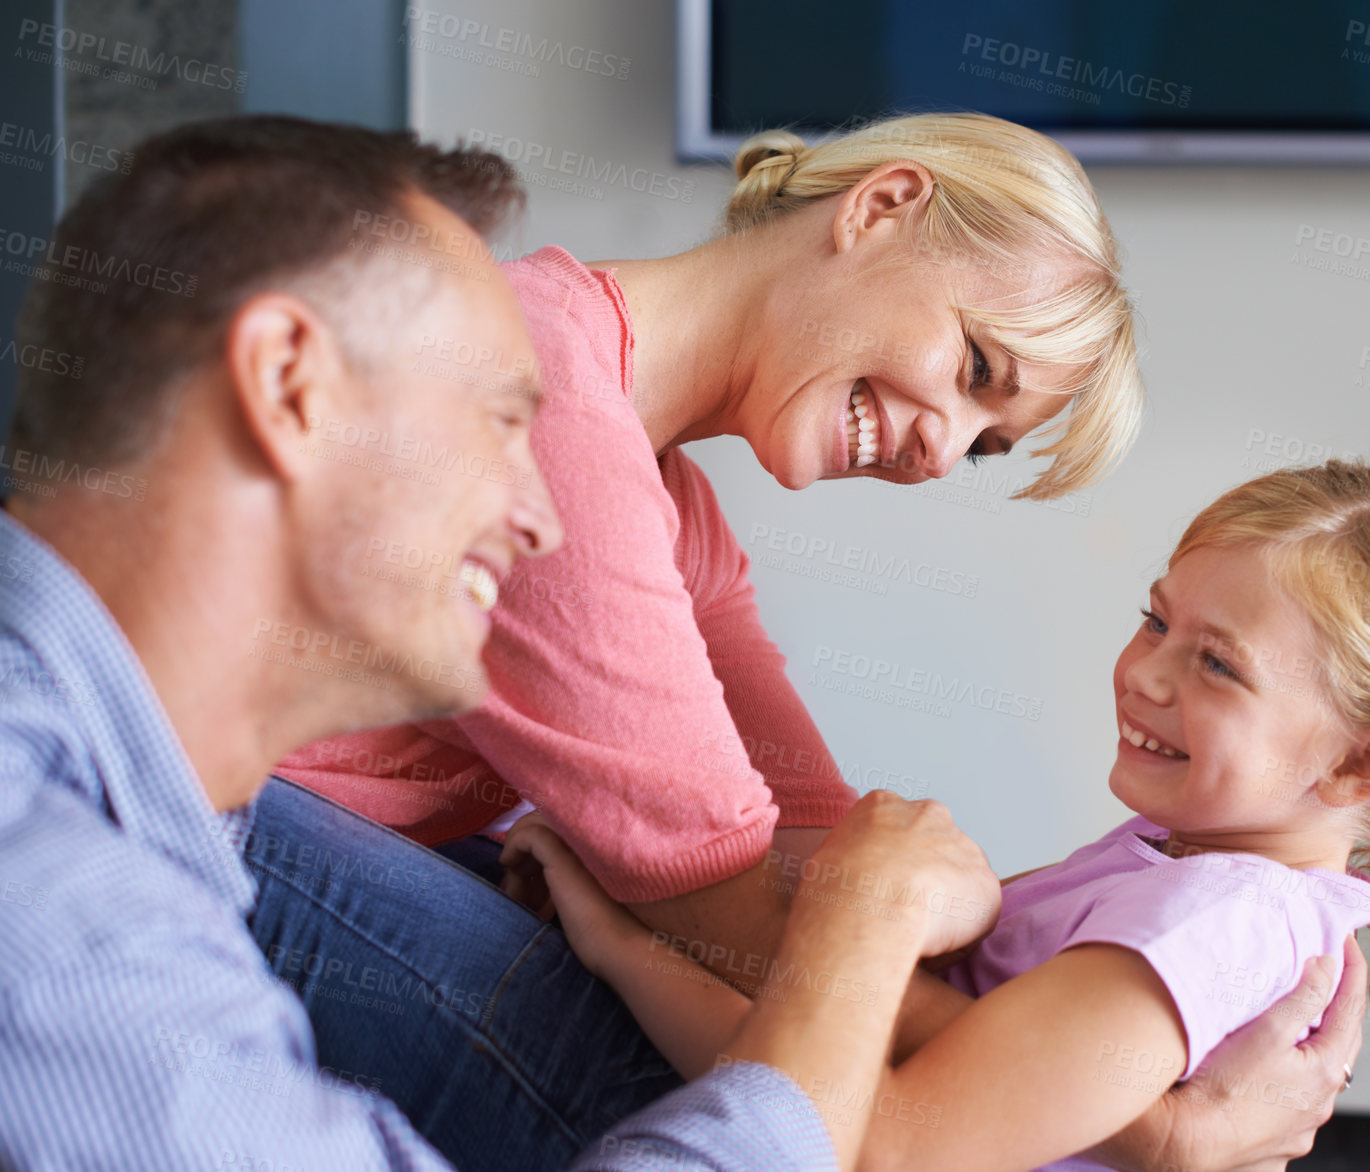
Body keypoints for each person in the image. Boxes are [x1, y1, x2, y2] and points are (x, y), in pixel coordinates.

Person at [261, 113, 1370, 1168]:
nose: (939, 455)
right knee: (703, 1101)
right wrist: (1141, 1121)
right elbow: (747, 908)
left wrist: (1004, 975)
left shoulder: (667, 504)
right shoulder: (546, 401)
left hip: (294, 825)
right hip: (173, 819)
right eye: (975, 369)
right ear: (881, 206)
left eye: (984, 446)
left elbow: (818, 841)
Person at [0, 114, 1000, 1172]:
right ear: (289, 382)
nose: (538, 518)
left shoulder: (131, 838)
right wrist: (863, 931)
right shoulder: (59, 908)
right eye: (496, 419)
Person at [506, 459, 1370, 1170]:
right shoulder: (1179, 873)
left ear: (1360, 760)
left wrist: (622, 943)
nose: (1144, 674)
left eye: (1215, 662)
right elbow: (828, 1069)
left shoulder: (1216, 924)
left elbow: (862, 1139)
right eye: (1154, 619)